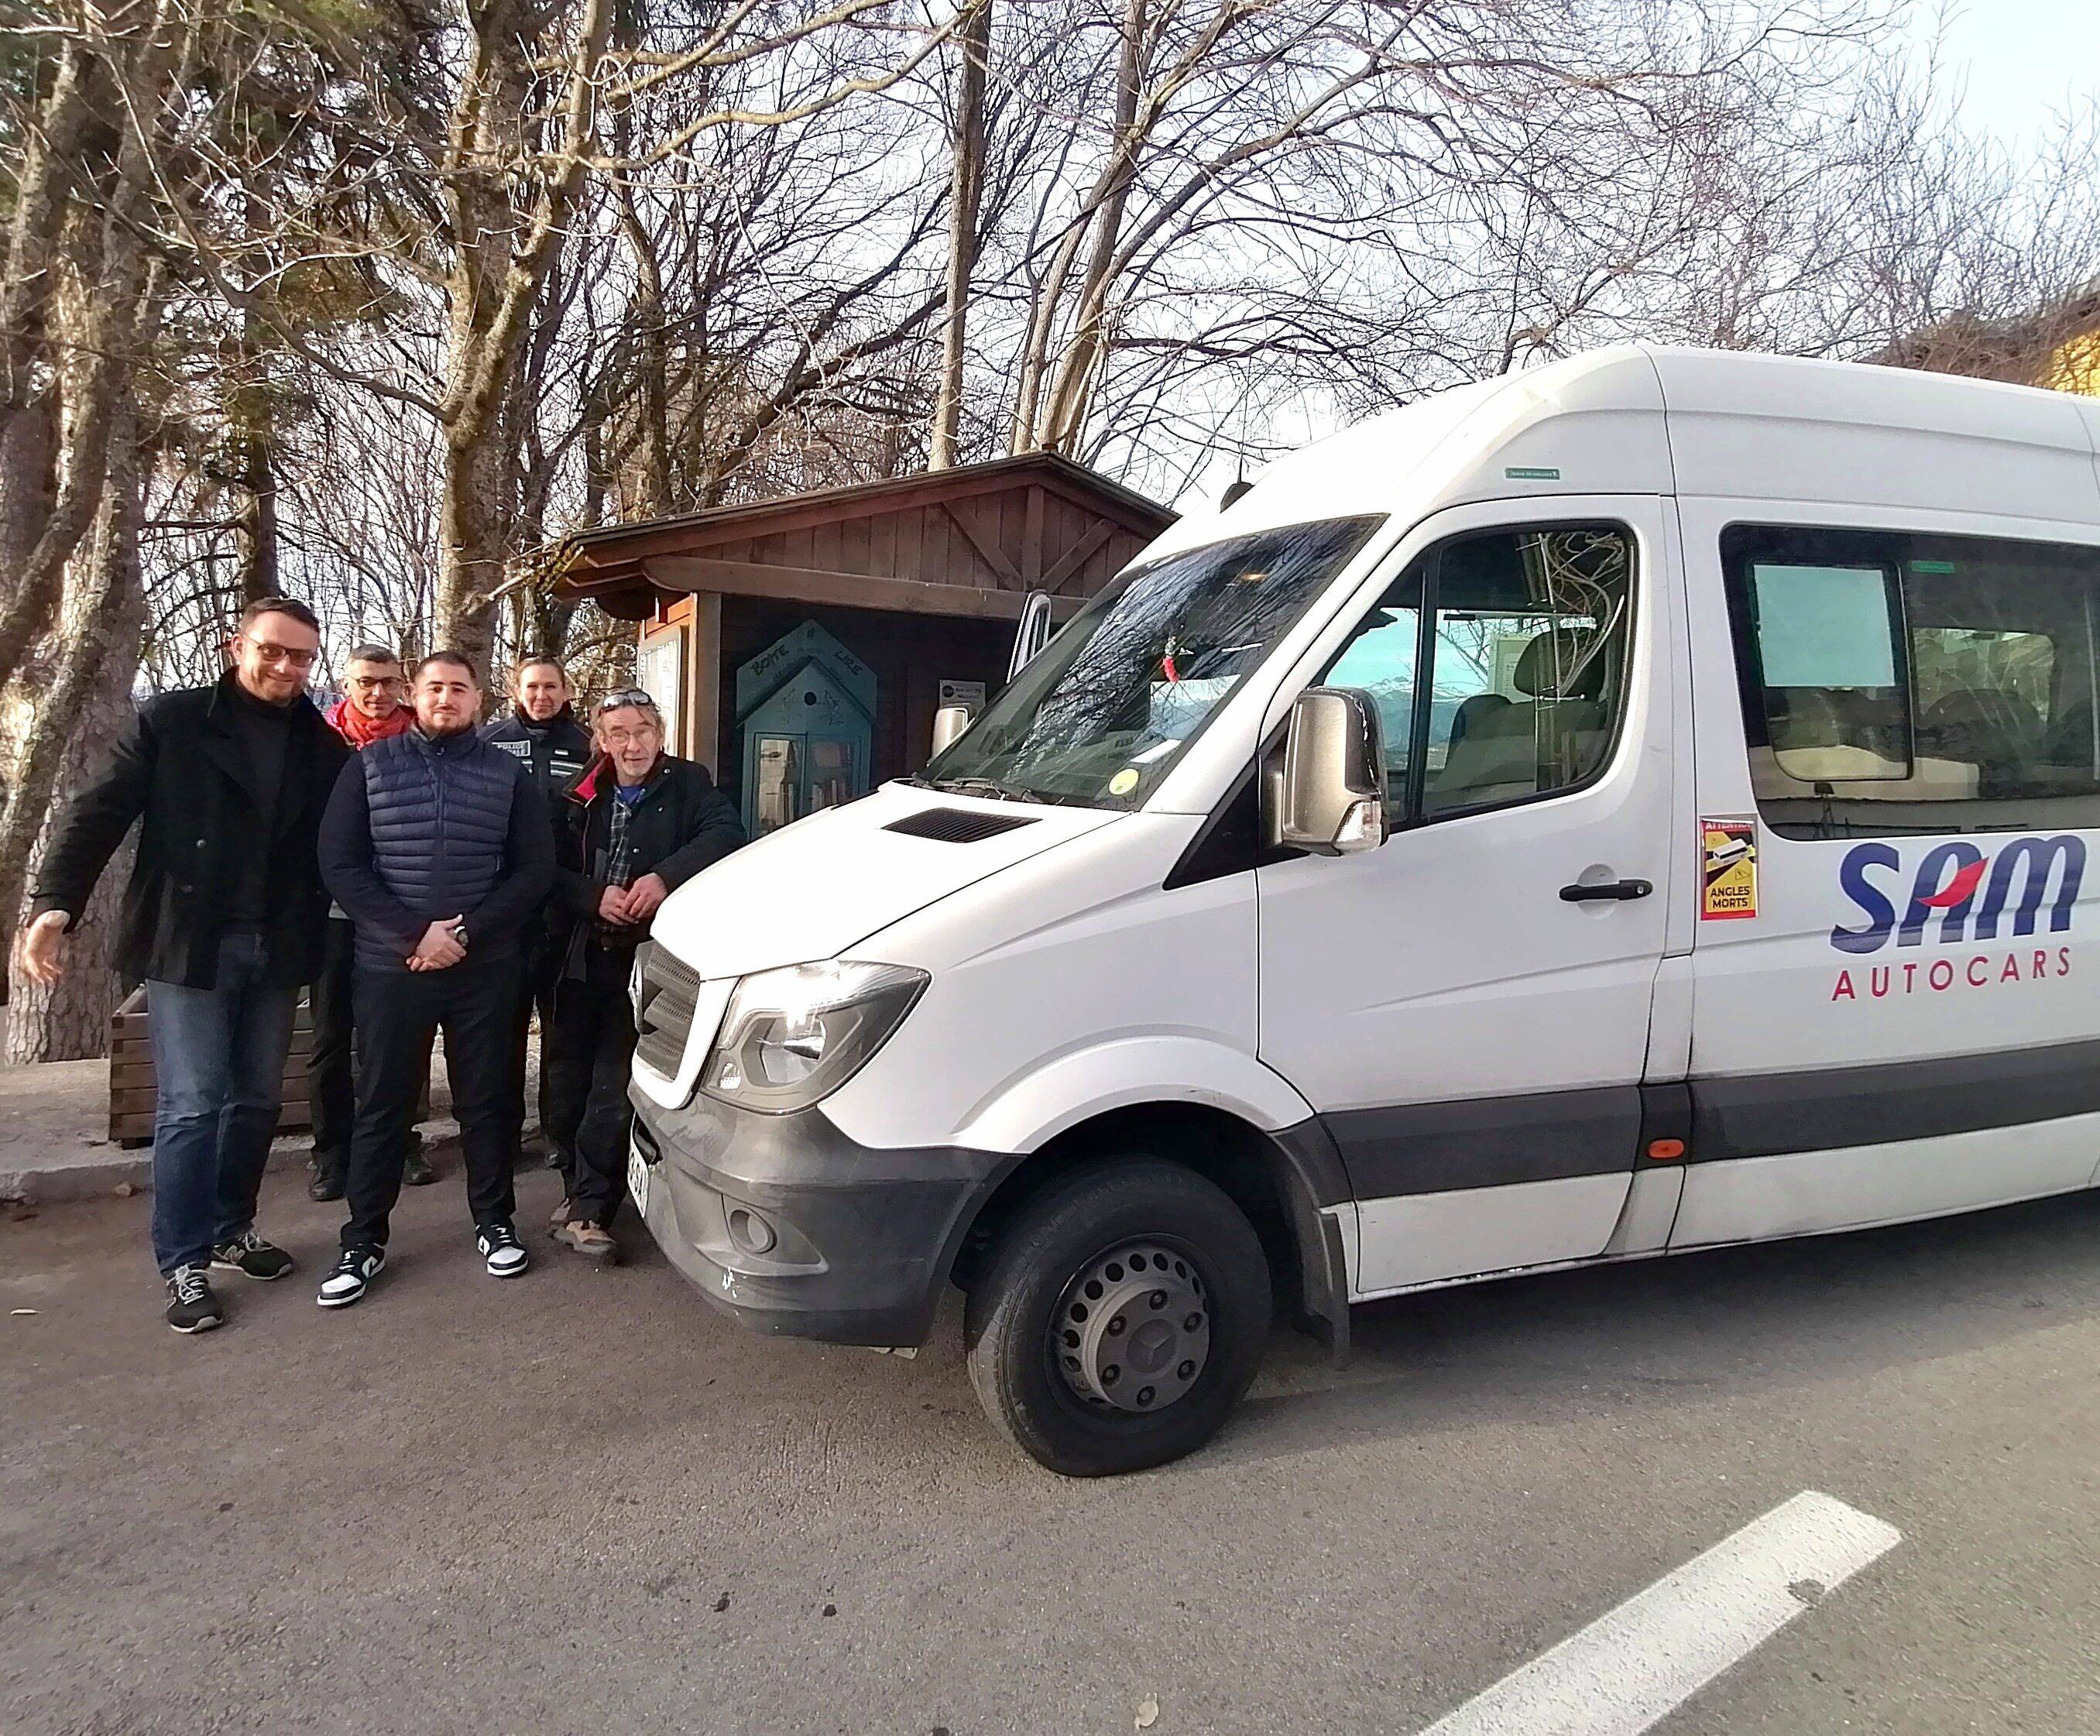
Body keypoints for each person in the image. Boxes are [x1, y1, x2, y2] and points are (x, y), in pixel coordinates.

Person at [20, 598, 349, 1333]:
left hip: (278, 943)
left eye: (301, 657)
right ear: (239, 647)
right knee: (193, 1104)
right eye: (274, 650)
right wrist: (55, 903)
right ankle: (184, 1261)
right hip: (189, 941)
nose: (287, 667)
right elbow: (96, 810)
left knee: (259, 1100)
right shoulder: (172, 721)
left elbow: (346, 847)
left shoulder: (324, 748)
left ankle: (234, 1228)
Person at [314, 650, 554, 1309]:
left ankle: (494, 1220)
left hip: (484, 969)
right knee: (384, 1105)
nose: (445, 698)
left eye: (459, 688)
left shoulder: (507, 775)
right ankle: (362, 1240)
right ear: (412, 697)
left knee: (487, 1102)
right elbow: (341, 863)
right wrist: (412, 935)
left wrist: (466, 934)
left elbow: (533, 870)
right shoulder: (367, 767)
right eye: (433, 688)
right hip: (391, 966)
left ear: (478, 699)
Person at [544, 689, 743, 1258]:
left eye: (642, 731)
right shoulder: (574, 792)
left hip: (647, 957)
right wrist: (590, 896)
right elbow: (542, 866)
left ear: (660, 733)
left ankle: (590, 1207)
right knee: (567, 1080)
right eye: (619, 734)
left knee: (614, 1079)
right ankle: (574, 1188)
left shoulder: (688, 781)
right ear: (600, 742)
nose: (633, 744)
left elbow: (726, 833)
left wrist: (664, 878)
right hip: (578, 954)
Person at [307, 645, 437, 1199]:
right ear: (346, 684)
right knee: (332, 1034)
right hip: (333, 908)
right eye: (366, 682)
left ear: (402, 684)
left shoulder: (422, 742)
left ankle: (400, 1141)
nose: (377, 693)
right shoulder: (320, 739)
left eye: (387, 682)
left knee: (394, 1036)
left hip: (402, 912)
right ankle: (331, 1152)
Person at [481, 654, 592, 1169]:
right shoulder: (491, 741)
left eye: (551, 687)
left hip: (565, 902)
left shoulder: (588, 745)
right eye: (532, 687)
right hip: (505, 904)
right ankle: (501, 1134)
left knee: (564, 1029)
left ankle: (558, 1132)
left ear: (566, 691)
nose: (542, 696)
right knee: (503, 1025)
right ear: (516, 689)